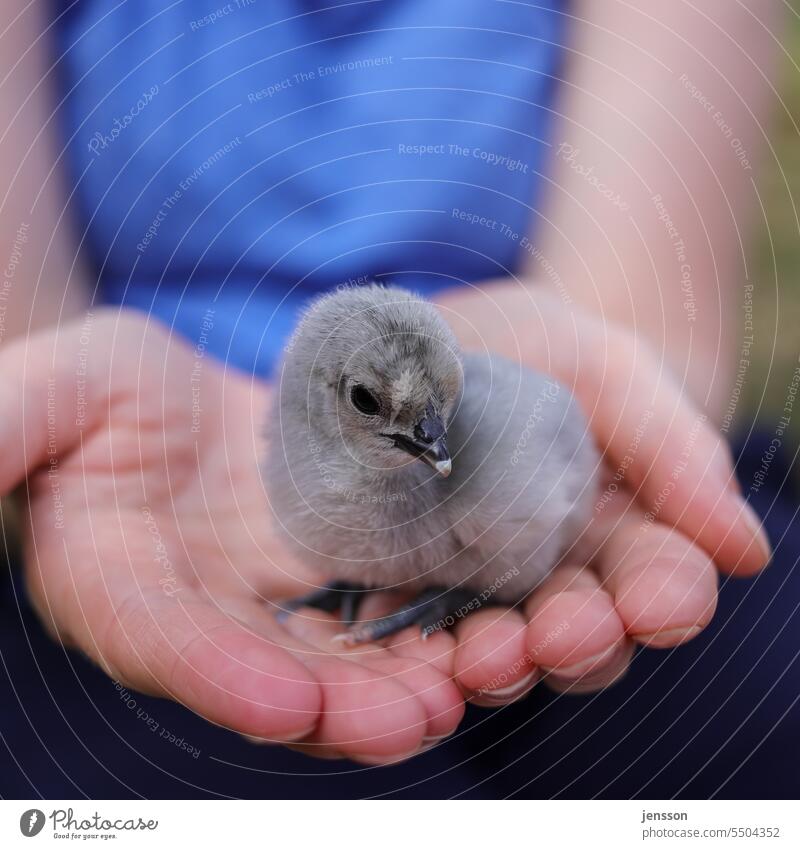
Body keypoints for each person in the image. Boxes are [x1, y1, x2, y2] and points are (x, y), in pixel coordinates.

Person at [1, 0, 795, 797]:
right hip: (158, 462)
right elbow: (22, 317)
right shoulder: (295, 458)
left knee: (746, 719)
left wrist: (612, 384)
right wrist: (61, 420)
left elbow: (639, 304)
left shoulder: (478, 441)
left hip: (533, 363)